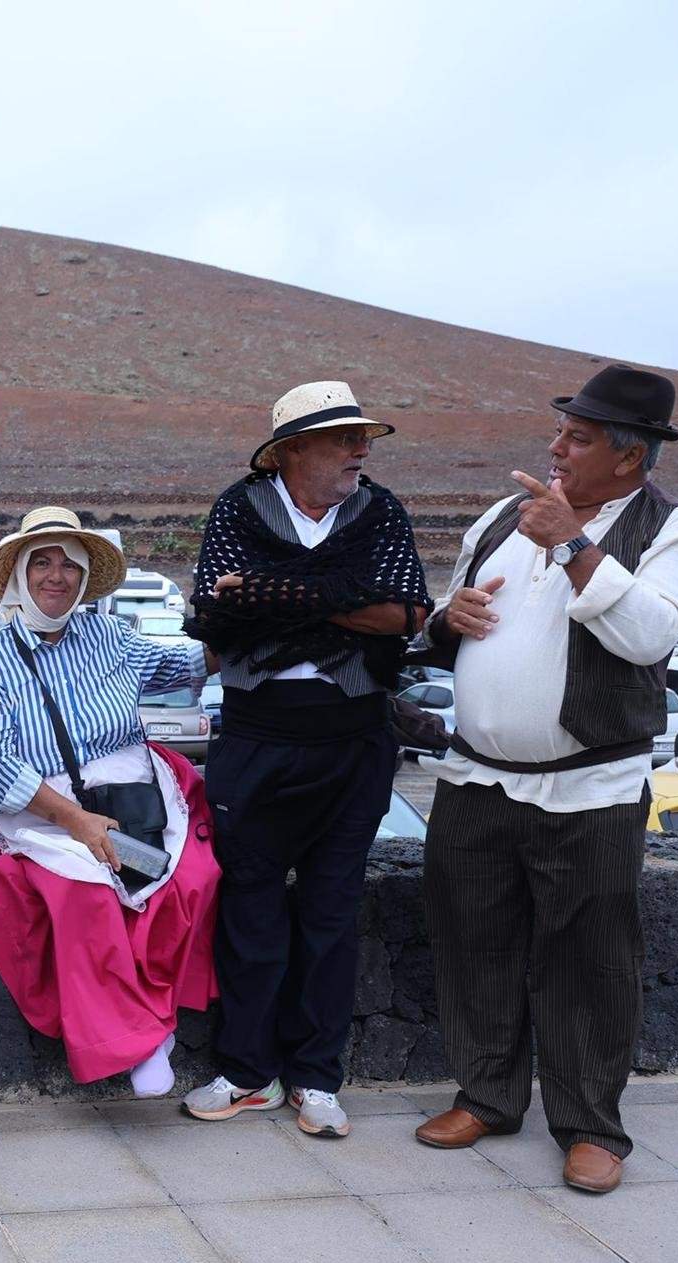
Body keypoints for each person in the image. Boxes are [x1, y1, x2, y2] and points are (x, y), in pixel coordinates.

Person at [414, 365, 678, 1193]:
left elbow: (649, 637)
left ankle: (588, 1126)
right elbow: (452, 616)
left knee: (588, 955)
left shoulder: (674, 527)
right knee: (473, 937)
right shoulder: (503, 516)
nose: (555, 448)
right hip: (476, 777)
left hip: (589, 787)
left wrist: (572, 545)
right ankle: (486, 1095)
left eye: (576, 439)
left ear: (629, 456)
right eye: (560, 431)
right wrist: (452, 618)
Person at [181, 381, 430, 1138]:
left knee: (331, 909)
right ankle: (246, 1071)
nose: (360, 452)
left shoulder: (378, 511)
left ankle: (317, 1079)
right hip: (258, 735)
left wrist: (278, 594)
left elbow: (405, 614)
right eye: (342, 439)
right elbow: (217, 620)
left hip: (352, 736)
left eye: (361, 439)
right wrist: (340, 601)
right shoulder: (237, 509)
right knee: (249, 908)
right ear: (292, 450)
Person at [0, 509, 218, 1096]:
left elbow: (183, 664)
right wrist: (76, 821)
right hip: (43, 806)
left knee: (196, 877)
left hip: (135, 793)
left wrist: (248, 619)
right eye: (42, 562)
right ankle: (137, 1038)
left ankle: (153, 1011)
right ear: (20, 575)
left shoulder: (111, 636)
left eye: (69, 565)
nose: (57, 576)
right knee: (86, 892)